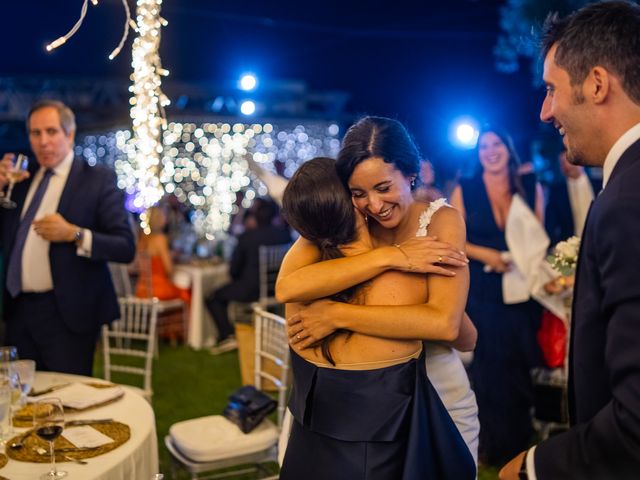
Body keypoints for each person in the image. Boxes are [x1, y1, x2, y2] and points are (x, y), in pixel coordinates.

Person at [278, 117, 478, 478]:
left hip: (435, 385)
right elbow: (288, 286)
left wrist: (338, 314)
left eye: (384, 187)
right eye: (359, 193)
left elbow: (448, 325)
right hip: (353, 398)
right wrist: (389, 256)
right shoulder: (346, 216)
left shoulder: (441, 221)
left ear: (411, 174)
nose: (373, 205)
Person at [500, 2, 640, 479]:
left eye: (551, 90)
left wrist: (535, 467)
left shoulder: (627, 203)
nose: (544, 112)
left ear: (597, 84)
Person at [0, 99, 135, 375]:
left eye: (51, 132)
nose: (43, 141)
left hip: (67, 315)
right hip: (18, 312)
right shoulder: (23, 180)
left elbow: (125, 247)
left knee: (69, 403)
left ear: (69, 134)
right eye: (35, 133)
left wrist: (74, 234)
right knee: (19, 401)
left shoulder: (96, 179)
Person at [449, 126, 545, 465]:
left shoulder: (530, 185)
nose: (490, 151)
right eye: (483, 146)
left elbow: (538, 235)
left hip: (521, 290)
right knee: (490, 368)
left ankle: (522, 441)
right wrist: (486, 254)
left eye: (496, 144)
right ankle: (491, 445)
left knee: (519, 366)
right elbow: (455, 240)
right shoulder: (466, 188)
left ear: (508, 147)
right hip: (484, 290)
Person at [205, 197, 291, 354]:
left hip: (251, 290)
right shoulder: (284, 235)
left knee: (213, 297)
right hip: (278, 288)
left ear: (255, 216)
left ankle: (227, 335)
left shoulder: (248, 237)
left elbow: (233, 271)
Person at [135, 205, 190, 303]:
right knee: (186, 292)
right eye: (164, 215)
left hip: (141, 290)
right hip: (158, 290)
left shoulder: (142, 239)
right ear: (159, 219)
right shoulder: (161, 239)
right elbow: (169, 270)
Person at [544, 148, 598, 246]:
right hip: (572, 246)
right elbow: (550, 223)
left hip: (599, 240)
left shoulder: (598, 183)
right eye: (562, 163)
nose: (566, 166)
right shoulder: (557, 192)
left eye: (568, 161)